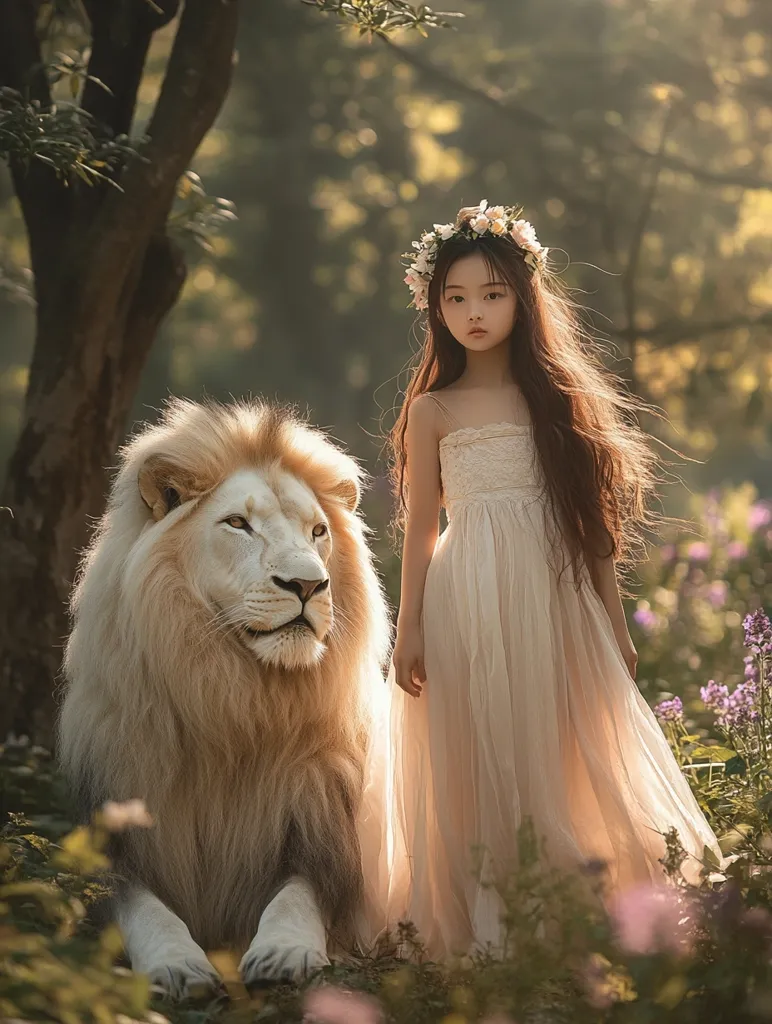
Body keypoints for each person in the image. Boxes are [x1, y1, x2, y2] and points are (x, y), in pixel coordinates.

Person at [354, 200, 724, 961]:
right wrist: (411, 624)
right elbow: (421, 526)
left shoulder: (556, 399)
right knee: (478, 743)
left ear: (523, 297)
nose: (473, 313)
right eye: (454, 299)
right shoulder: (432, 410)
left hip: (551, 592)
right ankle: (490, 911)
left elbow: (591, 529)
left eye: (490, 293)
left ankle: (578, 897)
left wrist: (615, 626)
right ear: (435, 308)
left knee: (559, 738)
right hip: (466, 595)